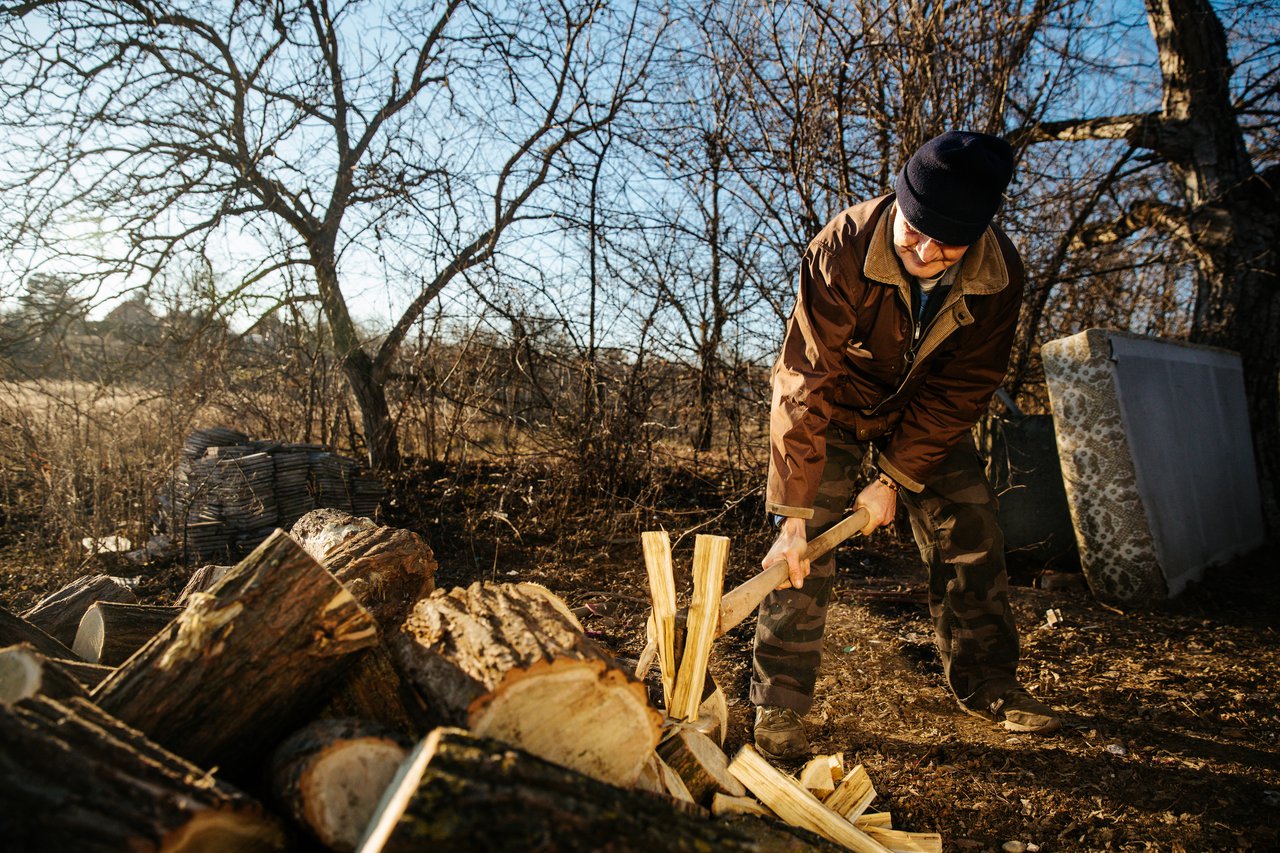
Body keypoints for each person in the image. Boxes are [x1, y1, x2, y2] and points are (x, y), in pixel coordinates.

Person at [752, 131, 1061, 761]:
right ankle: (779, 706)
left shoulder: (999, 276)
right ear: (899, 201)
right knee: (802, 550)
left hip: (925, 414)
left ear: (978, 234)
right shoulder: (842, 246)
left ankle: (990, 683)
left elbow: (965, 387)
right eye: (914, 229)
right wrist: (790, 516)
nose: (923, 250)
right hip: (835, 403)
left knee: (972, 530)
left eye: (946, 241)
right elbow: (804, 381)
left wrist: (891, 477)